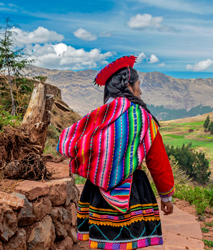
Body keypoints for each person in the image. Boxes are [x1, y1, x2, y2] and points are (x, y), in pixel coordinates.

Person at [57, 55, 175, 249]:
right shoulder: (143, 118)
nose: (141, 90)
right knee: (132, 243)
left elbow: (71, 143)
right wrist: (166, 196)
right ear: (128, 86)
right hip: (133, 193)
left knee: (103, 243)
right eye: (138, 85)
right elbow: (157, 159)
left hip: (97, 191)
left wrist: (93, 167)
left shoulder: (97, 117)